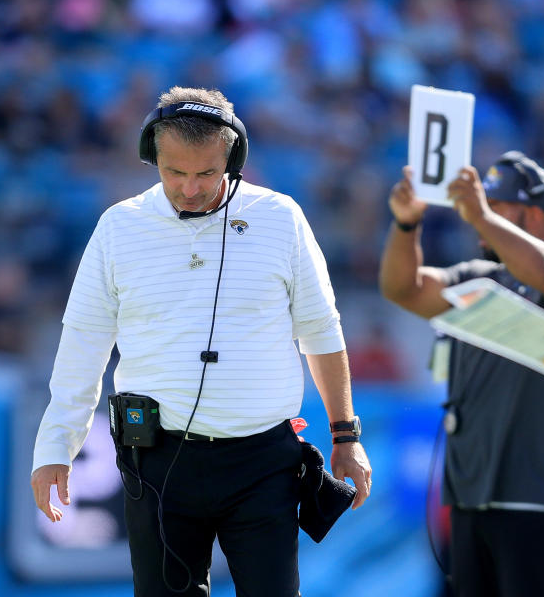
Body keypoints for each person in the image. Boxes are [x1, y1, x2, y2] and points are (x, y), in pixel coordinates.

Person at [29, 86, 371, 597]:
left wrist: (346, 437)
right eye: (174, 172)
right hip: (158, 463)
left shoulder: (281, 218)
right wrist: (56, 446)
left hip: (264, 461)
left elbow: (321, 332)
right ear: (152, 158)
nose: (189, 188)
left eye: (207, 173)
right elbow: (84, 342)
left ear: (233, 157)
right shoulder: (118, 227)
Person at [379, 151, 544, 597]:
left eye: (498, 204)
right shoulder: (477, 277)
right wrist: (407, 225)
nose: (480, 215)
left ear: (536, 212)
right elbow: (401, 288)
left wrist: (481, 217)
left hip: (539, 498)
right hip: (469, 498)